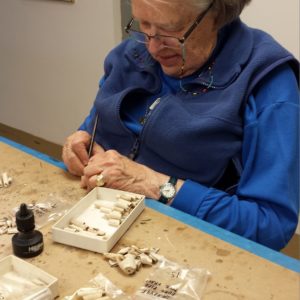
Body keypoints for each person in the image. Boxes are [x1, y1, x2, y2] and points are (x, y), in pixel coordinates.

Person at [62, 0, 299, 251]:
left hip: (188, 246)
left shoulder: (270, 86)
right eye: (143, 23)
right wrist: (79, 142)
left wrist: (153, 184)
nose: (152, 47)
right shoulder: (131, 53)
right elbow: (95, 129)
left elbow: (270, 226)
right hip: (96, 221)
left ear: (217, 14)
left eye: (169, 29)